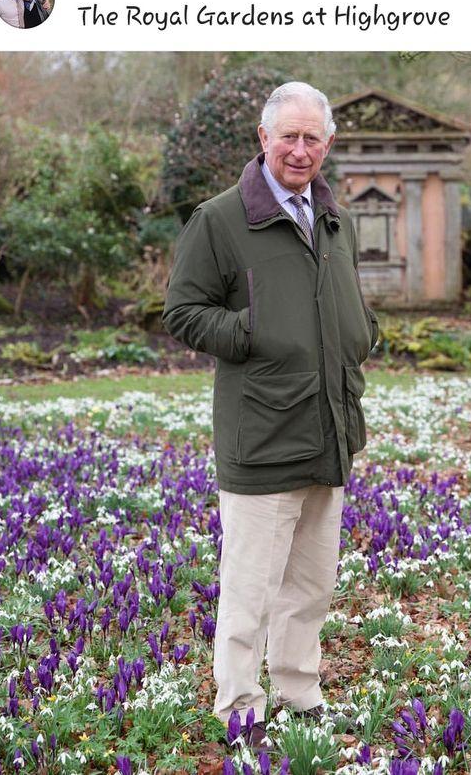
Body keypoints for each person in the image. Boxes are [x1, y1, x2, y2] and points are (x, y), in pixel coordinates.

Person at [163, 82, 378, 749]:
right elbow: (183, 311)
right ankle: (240, 709)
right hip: (261, 434)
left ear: (328, 144)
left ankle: (299, 689)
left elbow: (340, 304)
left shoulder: (332, 216)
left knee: (311, 583)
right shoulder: (221, 219)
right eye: (288, 135)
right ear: (263, 138)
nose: (300, 148)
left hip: (329, 428)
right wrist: (252, 330)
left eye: (313, 137)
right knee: (250, 589)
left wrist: (360, 332)